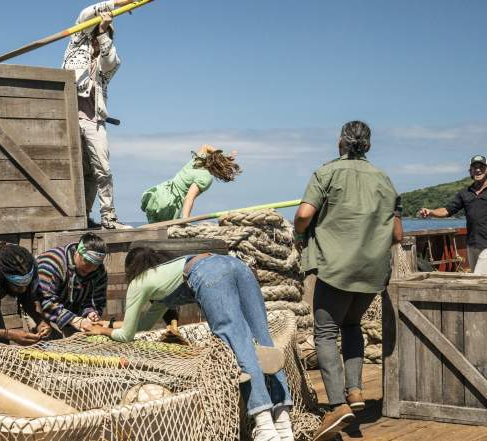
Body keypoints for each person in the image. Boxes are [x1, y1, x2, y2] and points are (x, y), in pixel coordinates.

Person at [88, 249, 294, 441]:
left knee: (237, 342)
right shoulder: (165, 278)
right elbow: (144, 325)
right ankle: (284, 422)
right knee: (264, 340)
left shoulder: (138, 283)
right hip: (235, 264)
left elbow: (127, 335)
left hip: (209, 272)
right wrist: (111, 324)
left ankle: (265, 426)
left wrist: (102, 330)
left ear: (130, 270)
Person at [293, 121, 402, 441]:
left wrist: (301, 232)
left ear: (340, 141)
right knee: (352, 327)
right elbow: (398, 234)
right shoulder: (385, 179)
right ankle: (355, 392)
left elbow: (302, 215)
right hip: (371, 274)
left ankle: (337, 405)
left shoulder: (325, 174)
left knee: (325, 333)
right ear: (368, 145)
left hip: (336, 269)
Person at [63, 1, 135, 229]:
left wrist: (104, 31)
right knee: (75, 170)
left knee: (100, 170)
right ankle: (80, 217)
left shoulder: (109, 61)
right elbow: (85, 13)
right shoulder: (75, 45)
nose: (97, 39)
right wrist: (119, 2)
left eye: (102, 36)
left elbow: (110, 60)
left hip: (95, 120)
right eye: (95, 33)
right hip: (69, 118)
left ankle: (108, 217)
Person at [417, 155, 487, 274]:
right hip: (471, 244)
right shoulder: (464, 194)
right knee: (477, 277)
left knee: (479, 278)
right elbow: (448, 210)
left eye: (481, 167)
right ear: (470, 171)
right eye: (474, 167)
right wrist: (431, 212)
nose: (478, 170)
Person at [140, 145, 241, 223]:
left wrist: (223, 156)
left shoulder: (196, 162)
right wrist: (185, 219)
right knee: (165, 235)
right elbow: (189, 197)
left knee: (153, 230)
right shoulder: (206, 177)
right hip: (170, 204)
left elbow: (205, 146)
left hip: (158, 194)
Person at [36, 232, 108, 336]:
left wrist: (91, 313)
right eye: (87, 262)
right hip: (40, 312)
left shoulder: (99, 271)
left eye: (95, 265)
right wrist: (74, 320)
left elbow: (97, 300)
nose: (90, 269)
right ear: (77, 253)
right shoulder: (53, 263)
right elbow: (45, 301)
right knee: (49, 344)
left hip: (72, 314)